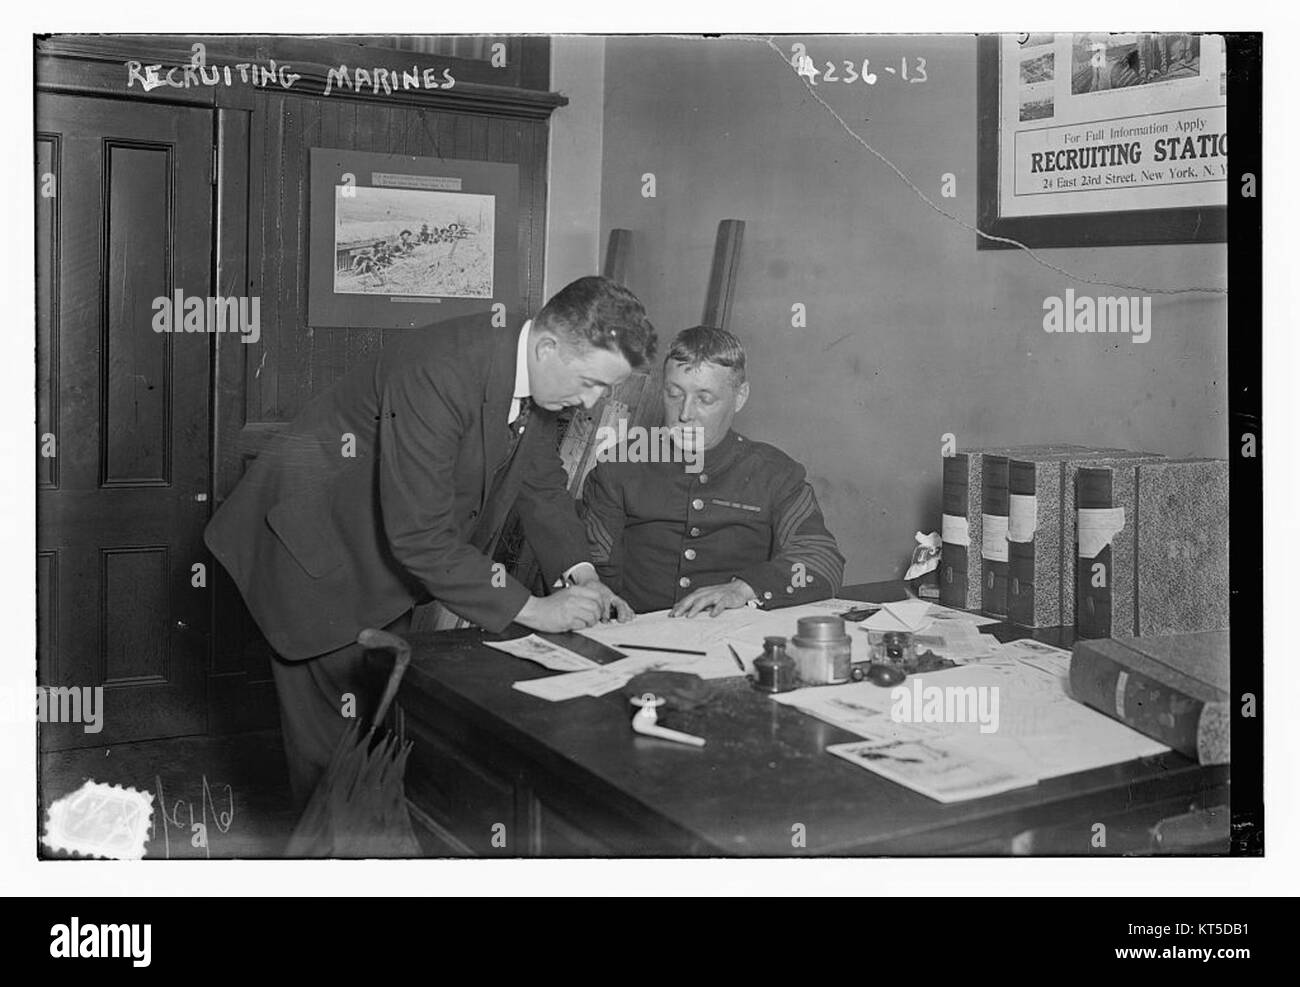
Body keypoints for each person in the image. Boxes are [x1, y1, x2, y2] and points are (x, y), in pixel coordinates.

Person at [205, 276, 654, 803]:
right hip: (311, 563)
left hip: (378, 568)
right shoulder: (440, 368)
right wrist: (535, 609)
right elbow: (420, 536)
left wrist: (583, 575)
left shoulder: (531, 376)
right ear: (548, 347)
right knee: (335, 773)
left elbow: (541, 483)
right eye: (591, 383)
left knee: (372, 746)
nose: (591, 401)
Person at [581, 325, 845, 618]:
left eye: (704, 399)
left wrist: (743, 589)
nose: (685, 413)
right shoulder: (620, 465)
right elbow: (593, 566)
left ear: (740, 396)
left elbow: (822, 561)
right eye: (673, 394)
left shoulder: (775, 473)